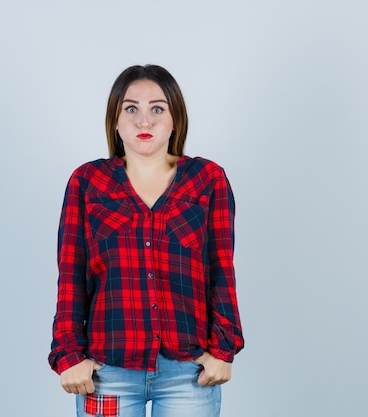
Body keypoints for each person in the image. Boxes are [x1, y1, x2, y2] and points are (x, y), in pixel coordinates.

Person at [49, 64, 244, 417]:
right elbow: (71, 276)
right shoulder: (87, 182)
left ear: (175, 119)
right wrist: (68, 355)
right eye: (131, 109)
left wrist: (224, 349)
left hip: (190, 374)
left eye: (157, 109)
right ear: (115, 120)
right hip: (107, 373)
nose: (144, 122)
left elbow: (221, 269)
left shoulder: (207, 179)